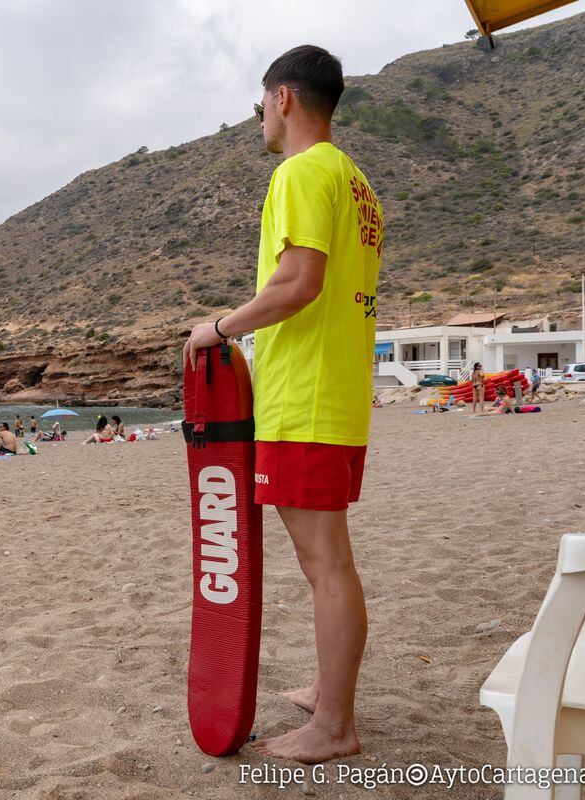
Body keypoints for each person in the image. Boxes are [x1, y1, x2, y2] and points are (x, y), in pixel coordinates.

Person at [183, 45, 382, 763]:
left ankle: (334, 726)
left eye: (261, 102)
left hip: (306, 395)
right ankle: (329, 696)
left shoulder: (300, 171)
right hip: (339, 390)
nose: (260, 117)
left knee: (325, 562)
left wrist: (219, 327)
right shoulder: (354, 180)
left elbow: (299, 282)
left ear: (285, 98)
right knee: (328, 560)